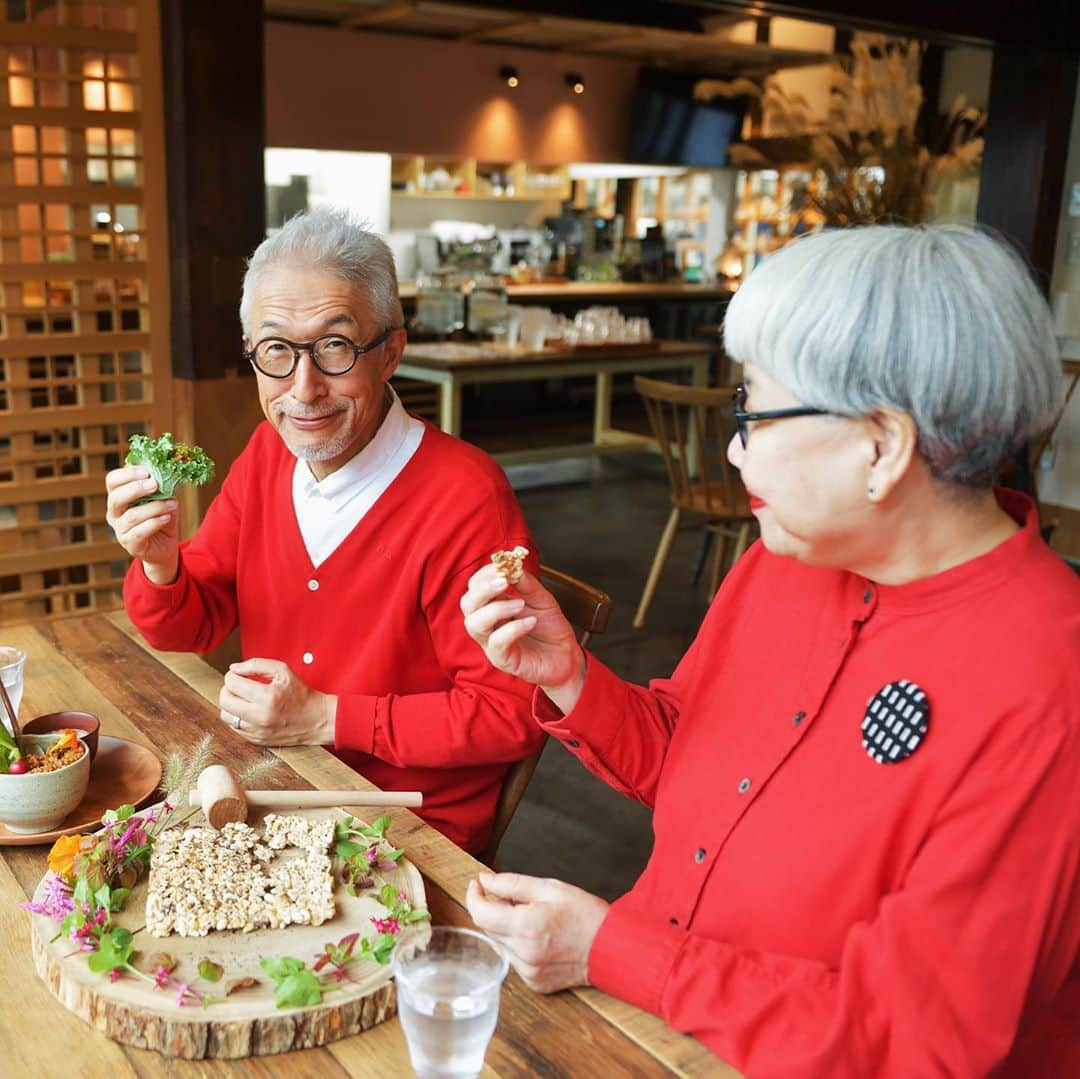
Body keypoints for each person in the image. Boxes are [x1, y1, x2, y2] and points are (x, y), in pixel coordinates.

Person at [460, 225, 1080, 1077]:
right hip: (645, 1023)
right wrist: (569, 676)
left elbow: (919, 1040)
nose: (731, 445)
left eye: (753, 409)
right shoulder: (785, 560)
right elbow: (695, 762)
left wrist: (611, 949)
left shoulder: (1047, 678)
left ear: (882, 445)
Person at [106, 208, 542, 855]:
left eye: (334, 347)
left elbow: (513, 714)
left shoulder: (465, 496)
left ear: (390, 350)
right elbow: (186, 626)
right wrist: (162, 564)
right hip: (280, 787)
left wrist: (329, 717)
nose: (303, 389)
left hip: (406, 831)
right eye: (276, 350)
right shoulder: (267, 455)